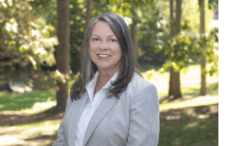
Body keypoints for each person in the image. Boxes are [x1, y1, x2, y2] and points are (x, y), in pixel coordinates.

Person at [53, 12, 160, 146]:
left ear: (124, 46)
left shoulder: (142, 92)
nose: (103, 46)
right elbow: (62, 141)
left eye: (112, 40)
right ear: (89, 45)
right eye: (96, 39)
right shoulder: (79, 89)